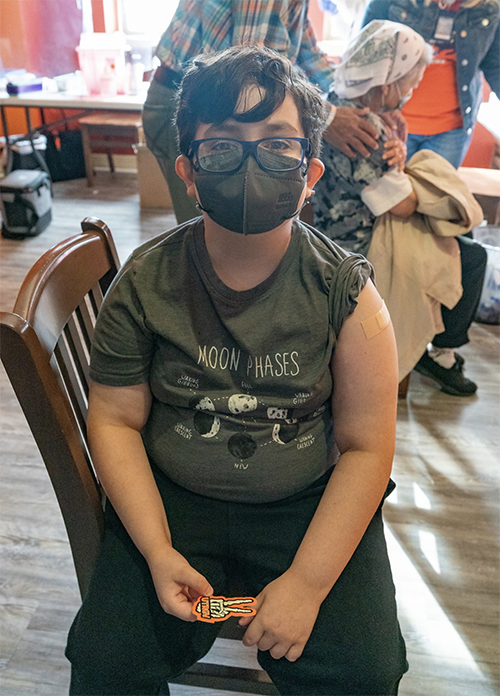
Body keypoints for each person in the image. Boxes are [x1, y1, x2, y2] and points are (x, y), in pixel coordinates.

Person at [66, 46, 408, 695]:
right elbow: (113, 419)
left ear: (308, 170)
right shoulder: (143, 283)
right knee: (106, 664)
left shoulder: (349, 296)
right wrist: (158, 550)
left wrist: (308, 584)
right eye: (223, 147)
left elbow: (368, 447)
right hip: (174, 504)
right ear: (189, 170)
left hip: (307, 505)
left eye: (276, 146)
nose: (250, 165)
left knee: (364, 672)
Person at [313, 20, 487, 396]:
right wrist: (397, 157)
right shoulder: (365, 131)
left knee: (459, 235)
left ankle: (438, 344)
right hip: (361, 241)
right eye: (411, 81)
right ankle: (439, 352)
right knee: (470, 254)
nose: (413, 90)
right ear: (388, 81)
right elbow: (402, 206)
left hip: (333, 225)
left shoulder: (335, 106)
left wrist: (398, 148)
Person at [142, 0, 407, 223]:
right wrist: (330, 118)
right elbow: (248, 67)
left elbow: (309, 54)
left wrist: (366, 101)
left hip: (212, 99)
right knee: (214, 234)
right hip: (193, 105)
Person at [362, 0, 500, 168]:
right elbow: (362, 56)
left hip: (451, 130)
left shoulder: (488, 8)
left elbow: (495, 66)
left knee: (436, 192)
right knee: (387, 192)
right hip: (389, 122)